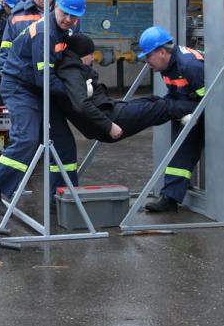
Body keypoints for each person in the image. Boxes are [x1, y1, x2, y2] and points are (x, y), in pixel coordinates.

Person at [0, 0, 86, 215]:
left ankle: (64, 196)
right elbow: (45, 80)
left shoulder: (68, 29)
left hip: (39, 88)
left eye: (74, 16)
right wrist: (77, 92)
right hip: (20, 87)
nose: (68, 19)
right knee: (27, 139)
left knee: (63, 142)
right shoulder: (44, 32)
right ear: (55, 5)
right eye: (65, 13)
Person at [55, 32, 198, 144]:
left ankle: (187, 109)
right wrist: (109, 126)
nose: (93, 58)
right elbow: (81, 105)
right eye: (90, 55)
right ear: (81, 55)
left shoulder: (72, 67)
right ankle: (198, 107)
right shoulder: (71, 70)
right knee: (160, 107)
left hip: (109, 111)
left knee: (153, 101)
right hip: (109, 119)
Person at [137, 26, 205, 212]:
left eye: (148, 56)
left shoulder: (190, 66)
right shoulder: (167, 65)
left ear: (161, 52)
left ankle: (170, 197)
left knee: (183, 146)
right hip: (185, 106)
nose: (146, 62)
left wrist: (194, 115)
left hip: (201, 109)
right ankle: (170, 197)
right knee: (179, 149)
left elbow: (211, 99)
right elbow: (175, 93)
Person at [0, 0, 56, 73]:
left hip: (54, 73)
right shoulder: (17, 16)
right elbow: (6, 47)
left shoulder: (64, 14)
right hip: (25, 75)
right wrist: (5, 74)